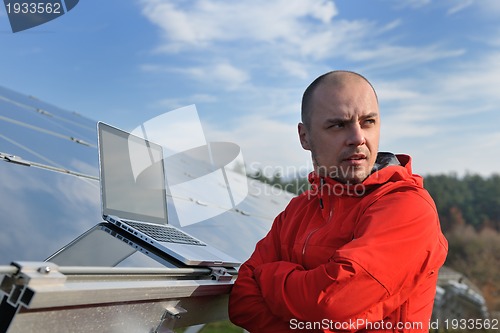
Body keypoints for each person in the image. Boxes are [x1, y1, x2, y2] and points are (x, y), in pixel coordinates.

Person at [228, 70, 448, 332]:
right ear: (304, 137)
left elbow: (329, 304)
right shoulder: (297, 210)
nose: (358, 138)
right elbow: (242, 303)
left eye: (368, 122)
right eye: (338, 125)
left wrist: (267, 276)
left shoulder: (407, 208)